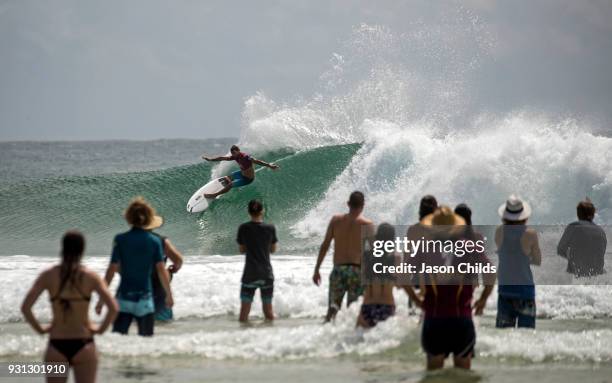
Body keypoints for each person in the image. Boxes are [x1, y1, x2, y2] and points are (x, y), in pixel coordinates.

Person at [21, 231, 118, 383]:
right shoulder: (90, 276)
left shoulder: (49, 275)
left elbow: (26, 307)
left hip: (56, 345)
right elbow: (113, 308)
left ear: (63, 248)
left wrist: (40, 329)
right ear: (82, 250)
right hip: (84, 343)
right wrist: (100, 330)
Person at [406, 206, 495, 371]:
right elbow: (491, 273)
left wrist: (417, 300)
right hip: (462, 320)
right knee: (463, 375)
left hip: (434, 320)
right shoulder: (470, 246)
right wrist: (483, 299)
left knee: (433, 375)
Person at [95, 197, 174, 336]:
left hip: (124, 299)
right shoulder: (155, 241)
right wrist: (169, 295)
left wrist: (102, 299)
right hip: (145, 300)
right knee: (146, 340)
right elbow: (161, 271)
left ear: (129, 217)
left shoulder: (120, 240)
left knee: (119, 339)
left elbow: (111, 271)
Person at [312, 191, 375, 322]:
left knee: (332, 309)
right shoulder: (367, 224)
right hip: (356, 272)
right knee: (353, 312)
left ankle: (327, 332)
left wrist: (317, 269)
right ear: (363, 205)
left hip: (338, 270)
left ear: (348, 204)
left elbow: (325, 245)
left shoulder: (336, 221)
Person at [495, 194, 541, 329]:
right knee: (526, 336)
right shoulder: (530, 234)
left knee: (503, 336)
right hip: (524, 291)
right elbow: (538, 261)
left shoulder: (499, 231)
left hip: (505, 289)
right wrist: (526, 259)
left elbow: (506, 256)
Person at [237, 199, 278, 322]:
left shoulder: (243, 228)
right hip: (266, 274)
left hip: (250, 274)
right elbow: (273, 249)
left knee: (244, 314)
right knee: (269, 313)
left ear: (249, 212)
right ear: (262, 211)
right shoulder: (270, 228)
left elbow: (242, 250)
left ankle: (244, 339)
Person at [357, 223, 400, 328]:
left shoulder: (365, 255)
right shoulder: (396, 257)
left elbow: (361, 280)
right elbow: (399, 284)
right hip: (387, 306)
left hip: (367, 306)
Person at [202, 145, 279, 198]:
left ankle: (215, 195)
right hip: (241, 174)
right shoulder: (235, 157)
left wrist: (269, 165)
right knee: (227, 177)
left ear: (238, 151)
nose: (233, 155)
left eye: (234, 153)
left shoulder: (246, 157)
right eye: (232, 153)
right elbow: (223, 158)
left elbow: (257, 161)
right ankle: (227, 185)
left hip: (248, 179)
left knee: (230, 185)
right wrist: (210, 159)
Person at [557, 198, 607, 277]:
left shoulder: (574, 227)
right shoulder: (601, 231)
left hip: (579, 274)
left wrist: (571, 257)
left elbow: (560, 249)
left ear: (578, 214)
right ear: (593, 214)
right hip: (598, 276)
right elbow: (600, 254)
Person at [147, 217, 184, 322]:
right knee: (164, 323)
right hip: (159, 286)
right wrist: (172, 270)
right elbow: (178, 260)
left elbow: (117, 267)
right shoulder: (161, 241)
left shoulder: (125, 241)